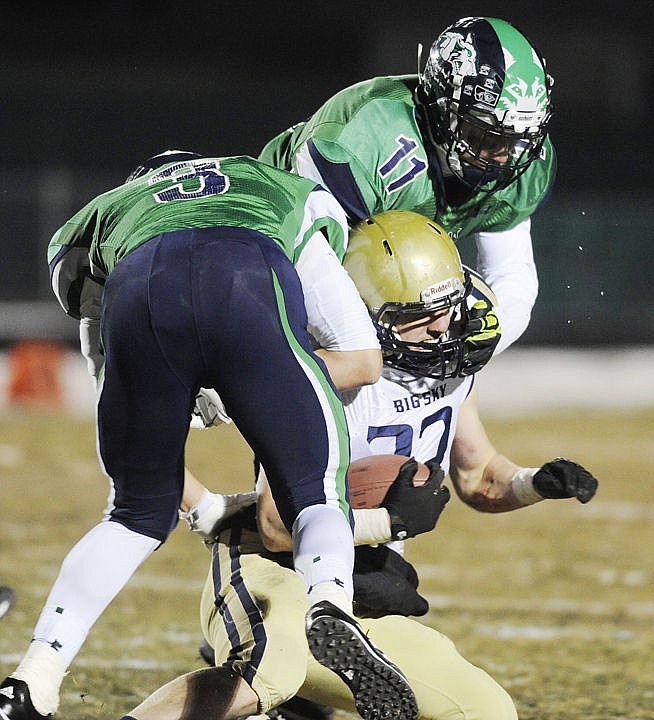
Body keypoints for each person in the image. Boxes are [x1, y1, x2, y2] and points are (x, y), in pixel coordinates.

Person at [117, 211, 598, 720]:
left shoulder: (454, 367)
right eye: (417, 315)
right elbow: (279, 528)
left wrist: (534, 484)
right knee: (268, 672)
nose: (442, 329)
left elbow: (479, 477)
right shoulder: (324, 376)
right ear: (364, 315)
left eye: (449, 309)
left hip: (367, 580)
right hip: (273, 568)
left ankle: (299, 701)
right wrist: (387, 522)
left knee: (485, 711)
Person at [0, 152, 426, 720]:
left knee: (129, 515)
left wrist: (195, 485)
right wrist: (247, 387)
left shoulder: (104, 215)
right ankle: (330, 607)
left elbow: (106, 369)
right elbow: (359, 355)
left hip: (140, 285)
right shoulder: (279, 187)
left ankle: (33, 681)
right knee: (315, 492)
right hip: (247, 273)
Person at [259, 16, 555, 360]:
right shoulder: (366, 134)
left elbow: (510, 273)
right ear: (442, 108)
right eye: (484, 135)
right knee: (358, 362)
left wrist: (489, 334)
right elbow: (315, 268)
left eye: (517, 139)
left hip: (372, 271)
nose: (503, 156)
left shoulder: (523, 159)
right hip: (274, 247)